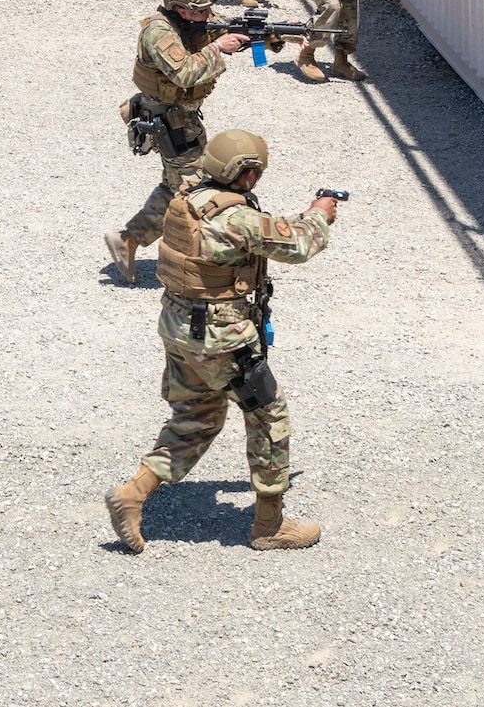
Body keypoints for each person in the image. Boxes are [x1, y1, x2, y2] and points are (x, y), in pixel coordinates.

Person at [104, 129, 336, 554]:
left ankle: (132, 494)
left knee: (199, 414)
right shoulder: (237, 219)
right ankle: (269, 526)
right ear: (246, 174)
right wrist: (318, 213)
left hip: (178, 325)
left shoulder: (187, 198)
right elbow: (301, 244)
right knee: (269, 416)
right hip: (221, 335)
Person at [104, 0, 273, 283]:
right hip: (171, 124)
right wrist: (219, 48)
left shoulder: (195, 18)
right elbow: (184, 74)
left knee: (175, 188)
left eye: (208, 10)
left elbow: (224, 26)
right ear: (181, 9)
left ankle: (128, 241)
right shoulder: (158, 33)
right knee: (197, 191)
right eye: (201, 11)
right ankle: (201, 263)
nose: (208, 16)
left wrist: (267, 36)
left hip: (184, 120)